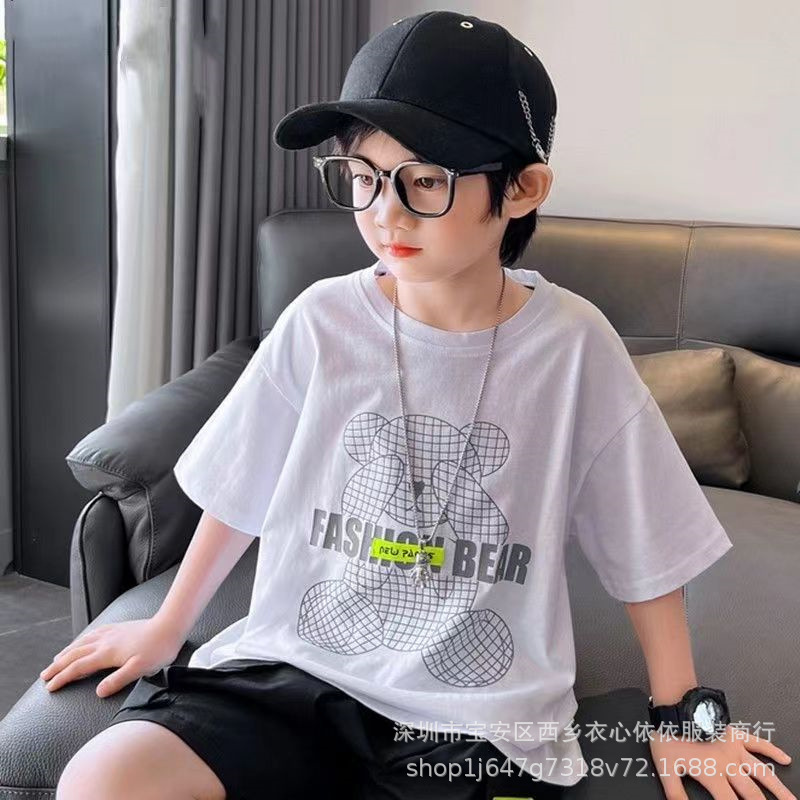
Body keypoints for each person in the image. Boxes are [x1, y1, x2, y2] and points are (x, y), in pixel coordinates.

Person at [47, 10, 762, 800]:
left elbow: (646, 535)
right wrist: (167, 627)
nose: (384, 212)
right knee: (104, 778)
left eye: (424, 181)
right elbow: (239, 485)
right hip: (297, 670)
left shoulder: (572, 345)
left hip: (471, 717)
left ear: (522, 189)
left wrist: (684, 713)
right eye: (363, 176)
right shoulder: (321, 320)